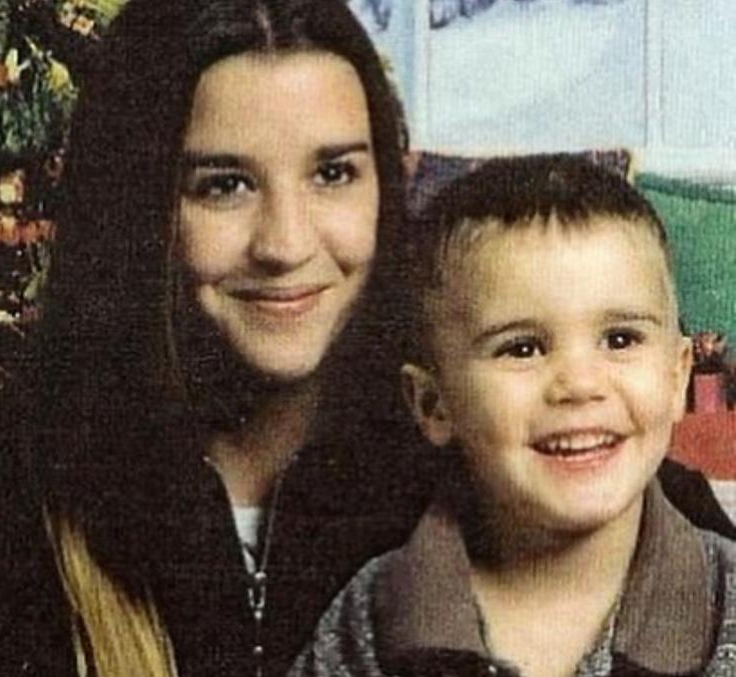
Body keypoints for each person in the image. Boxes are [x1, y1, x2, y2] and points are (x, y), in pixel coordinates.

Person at [0, 1, 431, 675]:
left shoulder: (471, 471)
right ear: (135, 206)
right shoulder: (22, 487)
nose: (286, 245)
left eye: (333, 173)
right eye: (224, 186)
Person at [290, 155, 736, 676]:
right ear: (433, 404)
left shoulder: (724, 604)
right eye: (522, 348)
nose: (580, 384)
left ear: (677, 376)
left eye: (620, 339)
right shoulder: (376, 616)